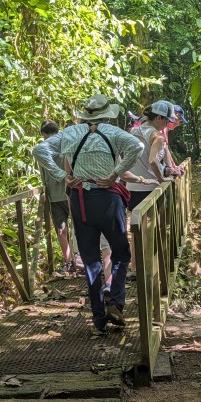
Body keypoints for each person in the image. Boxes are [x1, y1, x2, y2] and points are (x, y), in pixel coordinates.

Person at [33, 93, 147, 333]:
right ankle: (115, 301)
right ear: (107, 114)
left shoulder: (70, 133)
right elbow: (137, 145)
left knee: (91, 260)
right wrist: (116, 173)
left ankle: (98, 317)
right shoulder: (114, 133)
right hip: (108, 199)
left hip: (81, 199)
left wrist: (63, 176)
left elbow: (39, 151)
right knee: (121, 253)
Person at [32, 121, 74, 272]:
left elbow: (44, 174)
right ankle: (82, 257)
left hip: (55, 196)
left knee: (61, 228)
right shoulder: (67, 141)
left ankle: (69, 261)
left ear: (43, 134)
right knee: (79, 227)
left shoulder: (43, 149)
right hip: (72, 191)